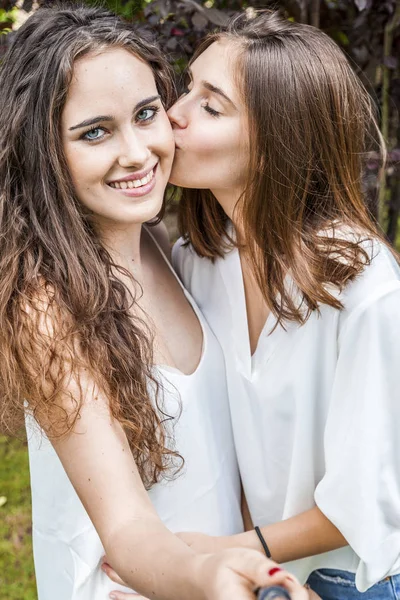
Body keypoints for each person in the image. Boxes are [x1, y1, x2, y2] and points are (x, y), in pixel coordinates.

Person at [0, 5, 312, 600]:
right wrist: (204, 576)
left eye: (146, 115)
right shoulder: (44, 306)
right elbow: (125, 525)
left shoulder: (159, 245)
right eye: (95, 131)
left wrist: (244, 555)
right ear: (42, 152)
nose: (138, 152)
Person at [164, 10, 400, 600]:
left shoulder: (363, 285)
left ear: (277, 143)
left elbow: (363, 506)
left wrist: (222, 554)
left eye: (210, 106)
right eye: (187, 88)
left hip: (355, 579)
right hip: (259, 571)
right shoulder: (199, 257)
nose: (174, 114)